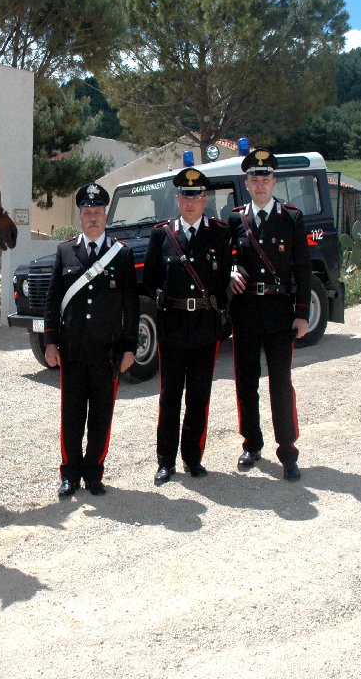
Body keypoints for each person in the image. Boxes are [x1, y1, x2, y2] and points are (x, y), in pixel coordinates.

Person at [44, 181, 139, 498]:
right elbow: (53, 300)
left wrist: (129, 347)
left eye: (98, 211)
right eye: (87, 211)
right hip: (72, 351)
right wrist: (50, 342)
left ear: (105, 215)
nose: (93, 217)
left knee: (101, 417)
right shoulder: (65, 251)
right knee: (71, 417)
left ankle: (94, 473)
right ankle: (69, 474)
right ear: (80, 216)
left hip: (106, 353)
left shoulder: (121, 255)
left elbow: (131, 305)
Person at [143, 157, 231, 485]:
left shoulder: (219, 234)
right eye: (185, 197)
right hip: (173, 327)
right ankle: (165, 461)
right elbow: (150, 281)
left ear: (205, 199)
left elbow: (223, 283)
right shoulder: (161, 235)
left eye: (196, 197)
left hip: (204, 328)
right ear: (177, 199)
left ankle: (193, 459)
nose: (190, 203)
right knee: (169, 397)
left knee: (198, 396)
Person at [227, 148, 312, 481]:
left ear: (274, 181)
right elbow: (227, 260)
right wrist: (228, 274)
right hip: (245, 312)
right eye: (254, 178)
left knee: (280, 383)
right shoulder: (235, 219)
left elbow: (303, 269)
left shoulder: (291, 217)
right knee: (246, 383)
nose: (260, 183)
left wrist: (302, 313)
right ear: (246, 183)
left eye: (265, 177)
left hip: (279, 313)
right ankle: (251, 443)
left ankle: (287, 450)